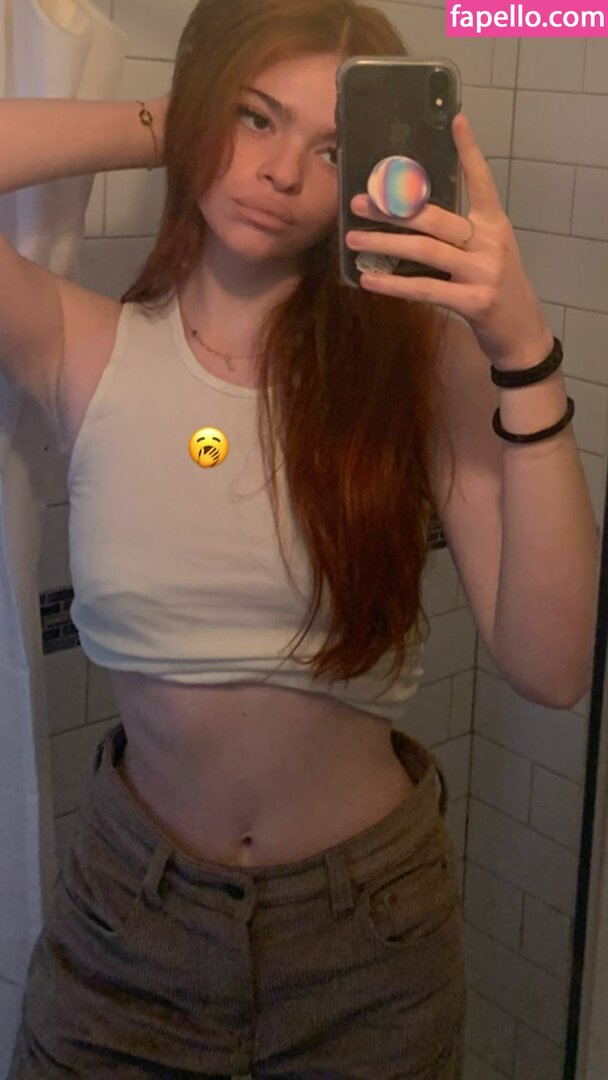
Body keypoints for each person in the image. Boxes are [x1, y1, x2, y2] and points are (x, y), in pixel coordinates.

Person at [6, 0, 598, 1077]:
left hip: (371, 935)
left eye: (332, 147)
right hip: (130, 929)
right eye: (255, 117)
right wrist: (177, 118)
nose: (280, 172)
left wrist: (521, 350)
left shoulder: (419, 369)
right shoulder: (81, 344)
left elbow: (551, 668)